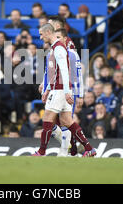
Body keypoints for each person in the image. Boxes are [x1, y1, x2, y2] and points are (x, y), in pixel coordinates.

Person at [33, 24, 96, 157]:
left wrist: (67, 91)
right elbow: (54, 73)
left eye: (41, 34)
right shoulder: (55, 48)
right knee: (67, 121)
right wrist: (47, 89)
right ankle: (89, 148)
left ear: (48, 32)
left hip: (60, 90)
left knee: (47, 118)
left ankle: (41, 151)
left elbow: (65, 72)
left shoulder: (59, 49)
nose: (40, 37)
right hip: (58, 89)